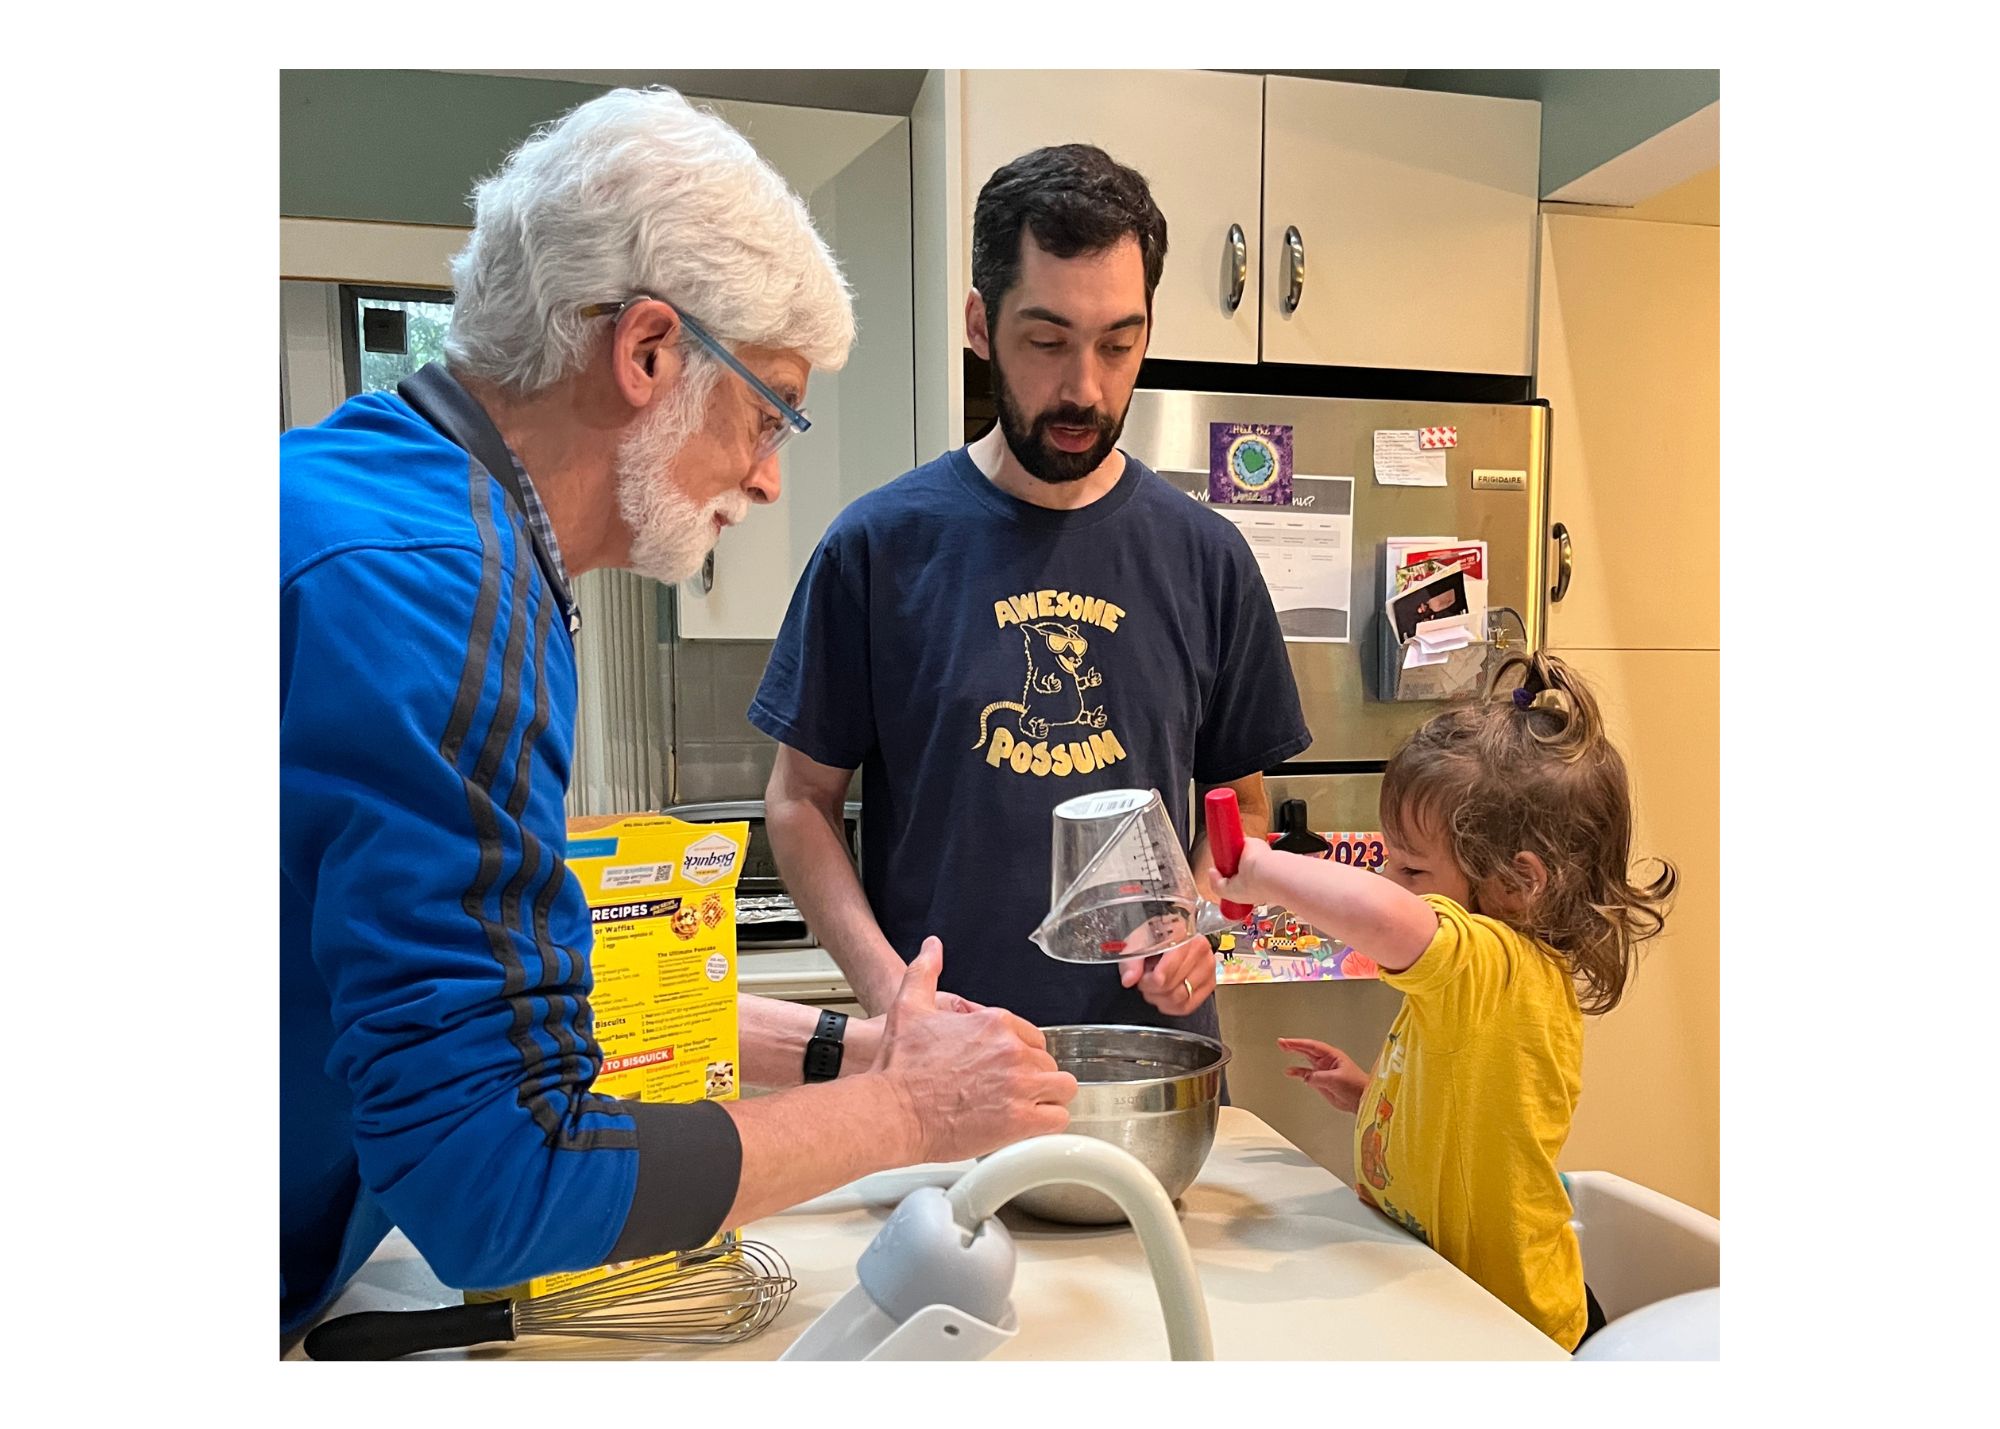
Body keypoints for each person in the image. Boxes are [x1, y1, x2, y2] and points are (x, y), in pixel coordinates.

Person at [280, 88, 1075, 1340]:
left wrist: (840, 1055)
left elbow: (488, 997)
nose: (767, 476)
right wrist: (908, 1112)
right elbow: (503, 1179)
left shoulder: (368, 492)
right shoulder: (437, 589)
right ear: (650, 349)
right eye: (767, 412)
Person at [753, 144, 1311, 1038]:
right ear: (981, 324)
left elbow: (1235, 805)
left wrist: (1204, 923)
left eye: (1119, 344)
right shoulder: (879, 547)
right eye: (1047, 342)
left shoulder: (1209, 558)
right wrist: (892, 992)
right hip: (940, 1072)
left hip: (1150, 1073)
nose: (1085, 388)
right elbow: (799, 800)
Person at [1216, 653, 1678, 1352]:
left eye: (1409, 866)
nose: (1387, 878)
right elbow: (1468, 1112)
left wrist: (1258, 868)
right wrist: (1369, 1092)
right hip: (1444, 1294)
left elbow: (1387, 920)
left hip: (1507, 1323)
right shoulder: (1475, 983)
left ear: (1516, 884)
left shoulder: (1500, 964)